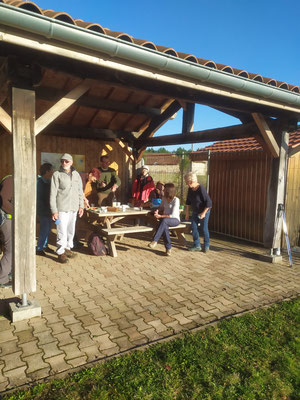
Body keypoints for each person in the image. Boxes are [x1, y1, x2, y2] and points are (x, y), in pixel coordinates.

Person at [50, 153, 84, 263]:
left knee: (71, 230)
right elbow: (52, 193)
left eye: (66, 161)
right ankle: (60, 252)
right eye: (62, 161)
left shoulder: (76, 175)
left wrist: (81, 206)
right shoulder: (57, 174)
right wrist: (54, 210)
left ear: (71, 162)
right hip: (61, 208)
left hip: (73, 208)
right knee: (61, 231)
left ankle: (68, 248)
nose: (64, 163)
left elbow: (80, 191)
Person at [148, 183, 180, 256]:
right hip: (165, 220)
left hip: (175, 220)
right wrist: (157, 210)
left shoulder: (176, 200)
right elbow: (161, 207)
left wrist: (160, 216)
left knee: (164, 221)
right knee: (164, 226)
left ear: (168, 191)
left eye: (164, 189)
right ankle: (168, 249)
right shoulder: (164, 198)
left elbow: (173, 215)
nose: (163, 190)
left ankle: (155, 240)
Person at [184, 172, 212, 253]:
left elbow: (209, 203)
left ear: (191, 181)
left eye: (187, 182)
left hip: (204, 211)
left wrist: (203, 213)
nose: (187, 184)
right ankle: (197, 245)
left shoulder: (201, 189)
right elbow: (188, 202)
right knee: (194, 227)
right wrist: (187, 213)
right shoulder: (190, 189)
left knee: (204, 228)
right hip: (195, 211)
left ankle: (206, 245)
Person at [36, 163, 54, 256]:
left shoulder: (48, 181)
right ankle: (39, 248)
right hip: (43, 210)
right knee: (44, 229)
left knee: (47, 229)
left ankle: (45, 246)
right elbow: (41, 198)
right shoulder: (40, 182)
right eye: (51, 170)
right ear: (47, 171)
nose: (52, 172)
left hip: (48, 210)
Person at [0, 175, 13, 288]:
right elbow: (4, 201)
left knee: (10, 248)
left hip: (9, 218)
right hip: (7, 218)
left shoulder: (13, 179)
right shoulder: (10, 180)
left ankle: (8, 273)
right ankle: (2, 278)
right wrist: (17, 211)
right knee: (11, 249)